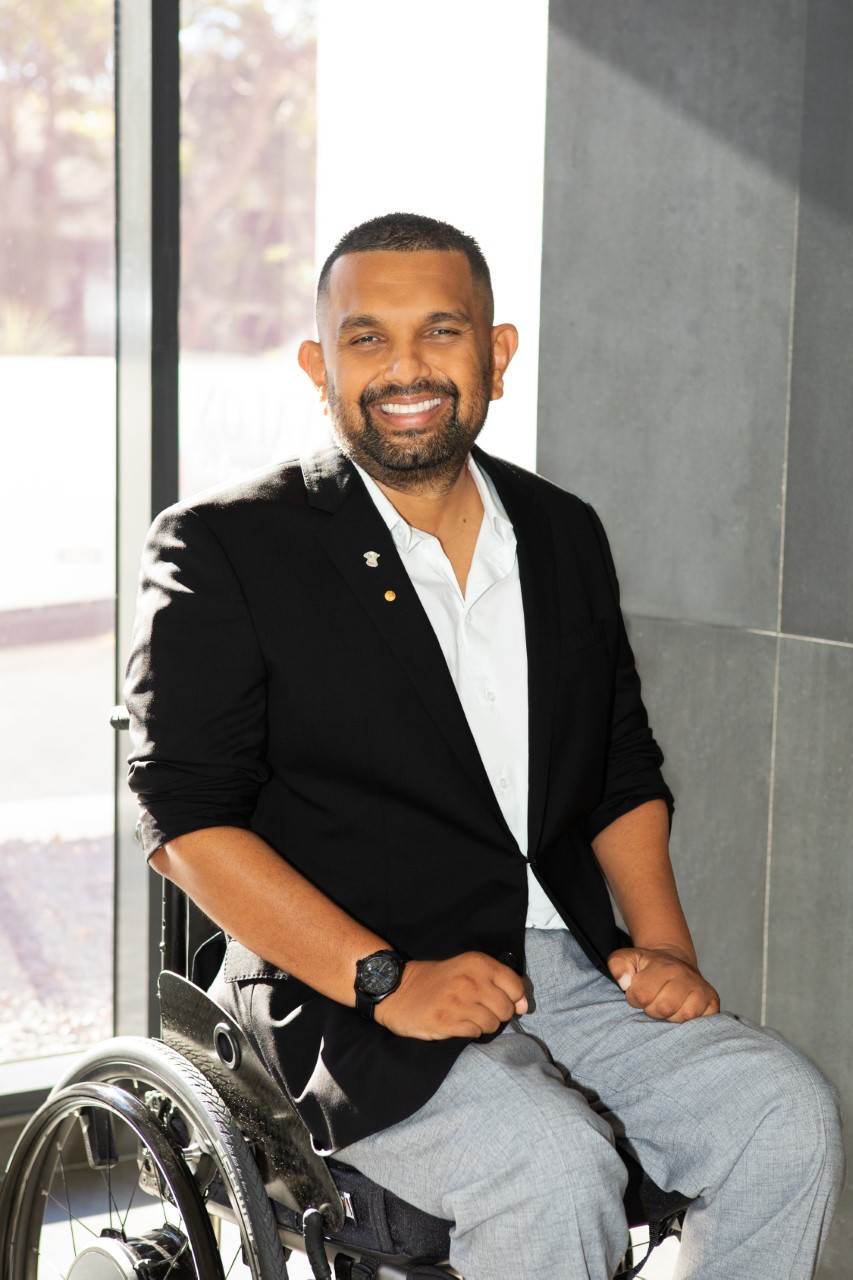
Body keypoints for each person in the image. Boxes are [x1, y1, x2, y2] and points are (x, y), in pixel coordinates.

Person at [125, 213, 843, 1279]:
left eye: (440, 331)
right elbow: (186, 819)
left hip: (561, 961)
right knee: (547, 1165)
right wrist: (384, 977)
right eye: (368, 338)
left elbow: (617, 766)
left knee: (783, 1114)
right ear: (319, 364)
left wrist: (667, 948)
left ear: (494, 354)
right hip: (339, 985)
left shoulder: (561, 533)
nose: (404, 366)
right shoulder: (227, 544)